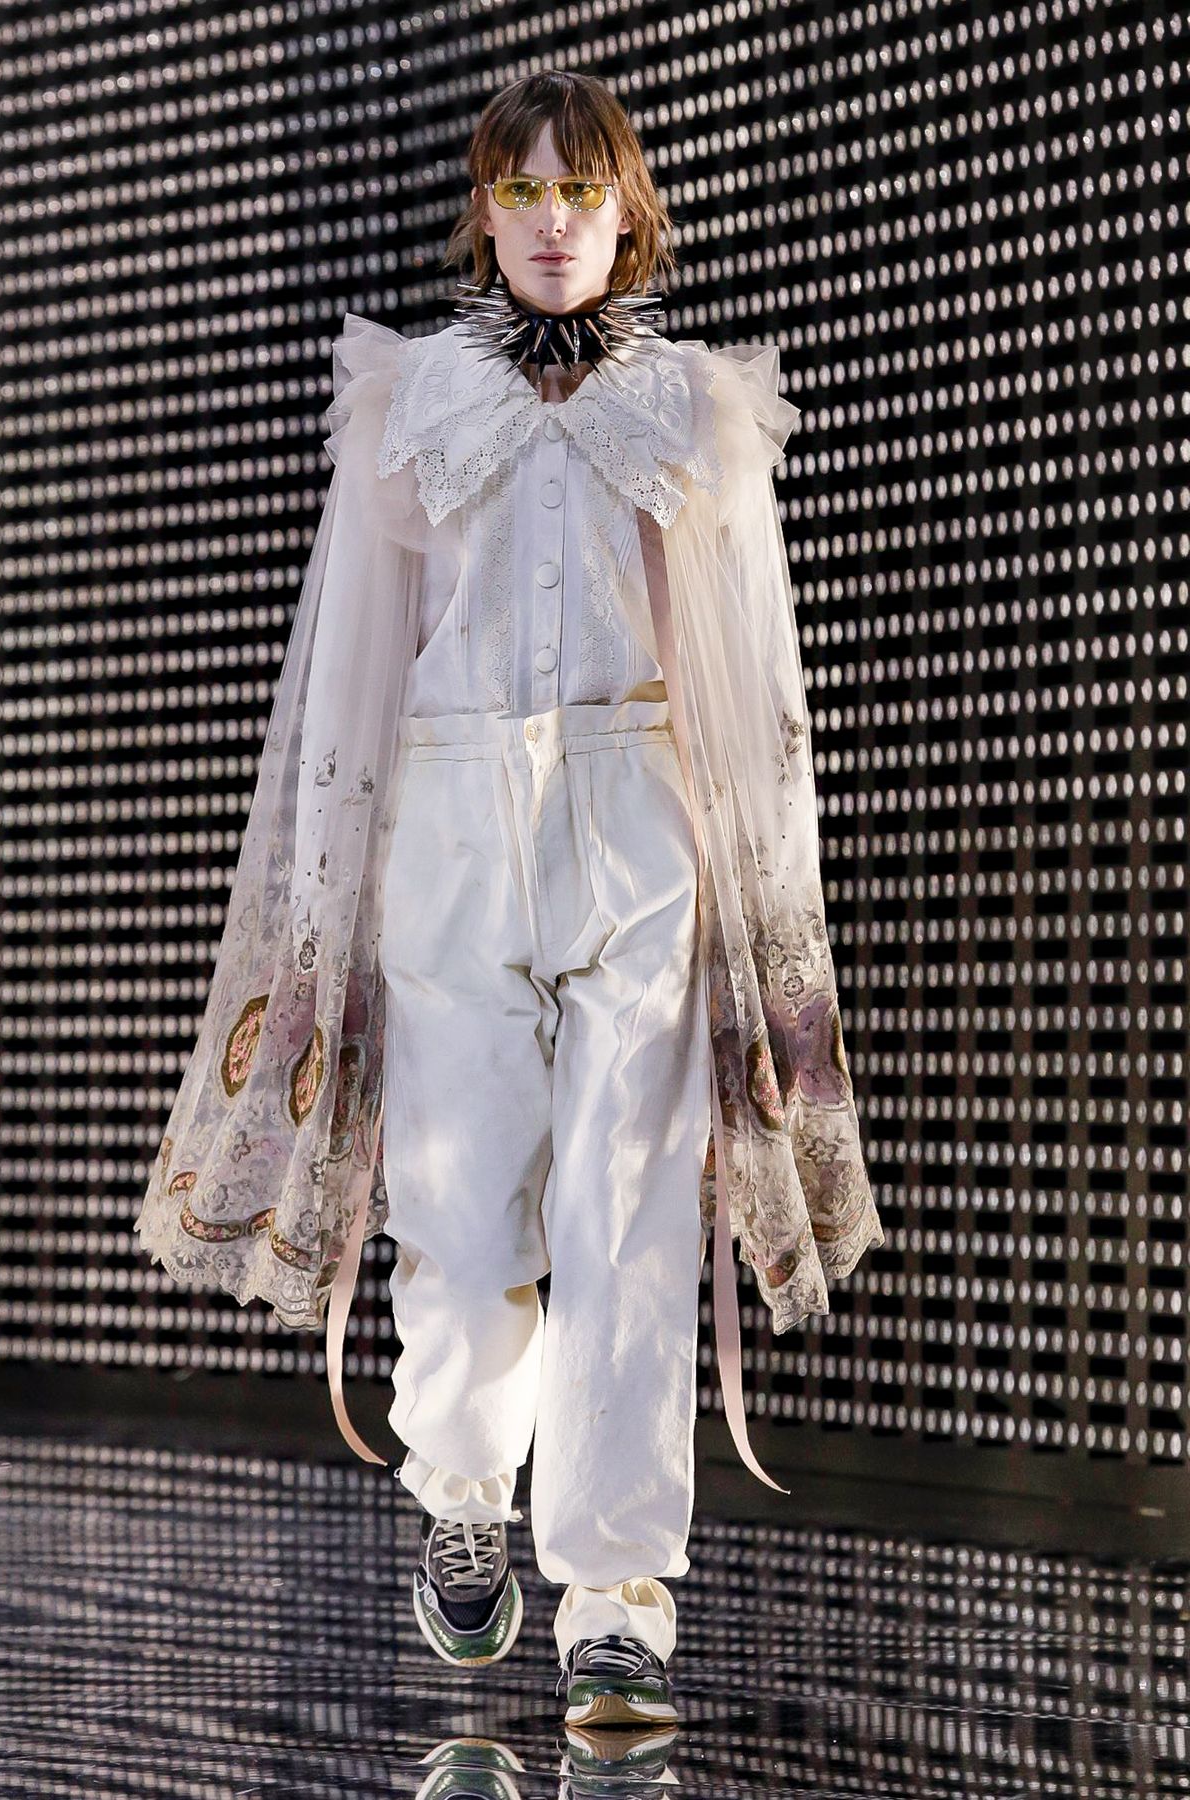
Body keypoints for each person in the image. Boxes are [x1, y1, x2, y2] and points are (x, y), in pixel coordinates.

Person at [133, 70, 886, 1734]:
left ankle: (616, 1597)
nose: (553, 221)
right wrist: (330, 890)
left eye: (582, 191)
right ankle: (466, 1488)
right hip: (456, 826)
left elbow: (759, 684)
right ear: (484, 209)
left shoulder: (695, 411)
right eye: (523, 190)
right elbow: (353, 655)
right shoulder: (412, 401)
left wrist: (766, 898)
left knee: (628, 1217)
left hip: (639, 821)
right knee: (466, 1212)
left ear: (628, 213)